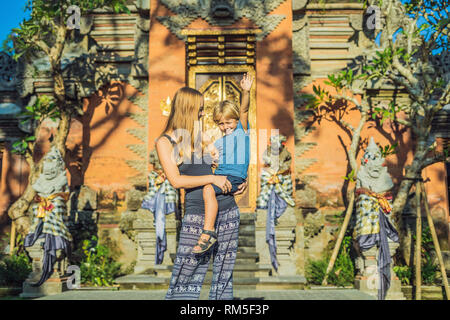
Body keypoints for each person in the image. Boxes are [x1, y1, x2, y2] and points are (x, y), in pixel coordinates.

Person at [155, 86, 247, 300]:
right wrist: (212, 178)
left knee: (224, 276)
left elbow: (227, 164)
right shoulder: (165, 142)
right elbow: (176, 180)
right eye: (200, 109)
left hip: (227, 209)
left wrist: (238, 182)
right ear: (188, 109)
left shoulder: (200, 137)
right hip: (197, 213)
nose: (203, 114)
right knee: (187, 272)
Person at [192, 73, 253, 255]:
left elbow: (244, 110)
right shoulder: (220, 142)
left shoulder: (241, 131)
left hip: (233, 177)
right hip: (221, 175)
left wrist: (246, 91)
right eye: (220, 124)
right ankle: (212, 227)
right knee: (207, 191)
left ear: (236, 121)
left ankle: (208, 232)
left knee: (208, 189)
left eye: (229, 122)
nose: (225, 127)